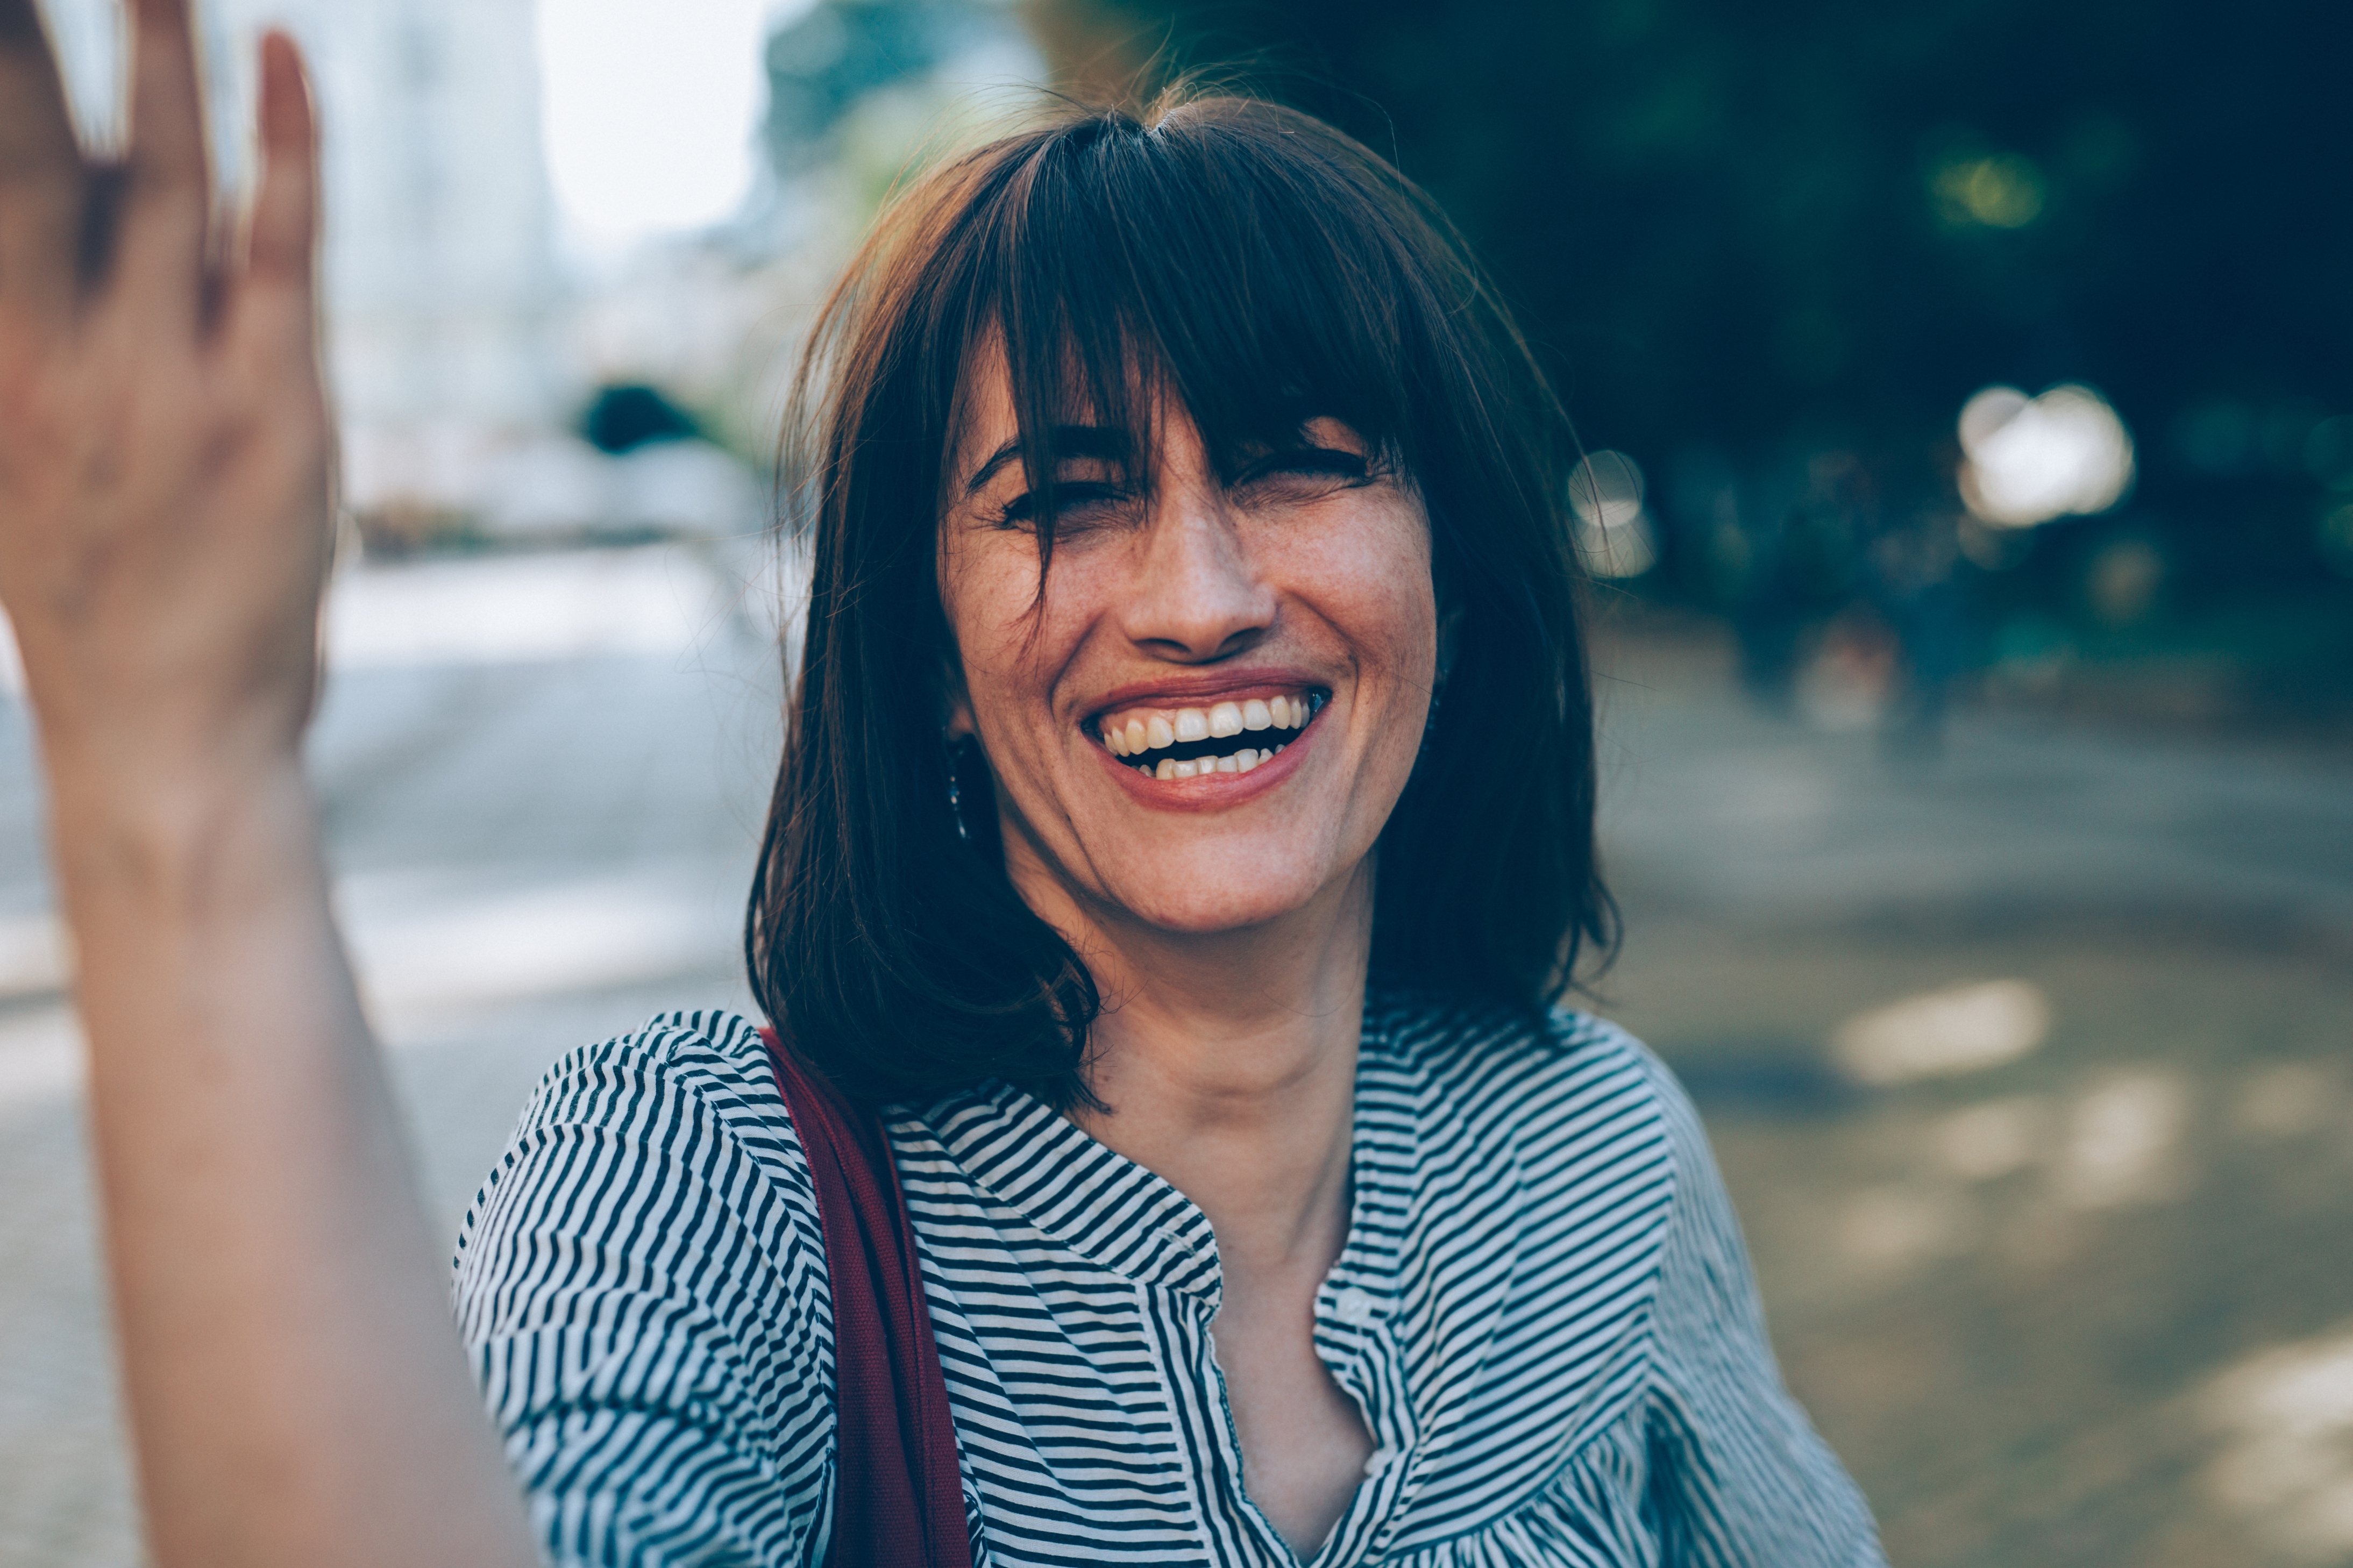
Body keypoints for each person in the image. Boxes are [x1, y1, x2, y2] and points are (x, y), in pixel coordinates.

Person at [0, 3, 1885, 1564]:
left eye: (1299, 462)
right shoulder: (697, 1181)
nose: (1204, 597)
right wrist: (183, 782)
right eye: (1064, 499)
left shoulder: (1597, 1145)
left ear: (1452, 574)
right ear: (931, 664)